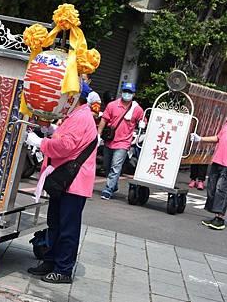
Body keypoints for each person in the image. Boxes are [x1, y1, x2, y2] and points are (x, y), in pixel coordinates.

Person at [25, 81, 98, 284]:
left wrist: (39, 142)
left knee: (67, 227)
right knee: (55, 223)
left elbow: (65, 145)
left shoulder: (81, 116)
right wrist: (50, 130)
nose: (62, 99)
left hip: (73, 183)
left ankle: (64, 269)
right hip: (66, 180)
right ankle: (50, 261)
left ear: (76, 97)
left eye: (66, 95)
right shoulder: (75, 115)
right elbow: (66, 136)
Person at [190, 98, 227, 230]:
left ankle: (220, 218)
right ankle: (215, 215)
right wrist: (200, 138)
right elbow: (218, 138)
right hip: (217, 160)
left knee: (222, 190)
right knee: (211, 188)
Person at [98, 82, 145, 200]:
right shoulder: (112, 105)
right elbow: (104, 120)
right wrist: (98, 135)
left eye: (129, 92)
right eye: (125, 91)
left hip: (124, 143)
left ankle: (108, 189)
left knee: (115, 165)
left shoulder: (137, 109)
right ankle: (114, 184)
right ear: (122, 92)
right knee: (107, 165)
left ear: (133, 94)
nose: (127, 94)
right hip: (109, 140)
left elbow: (143, 122)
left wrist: (142, 124)